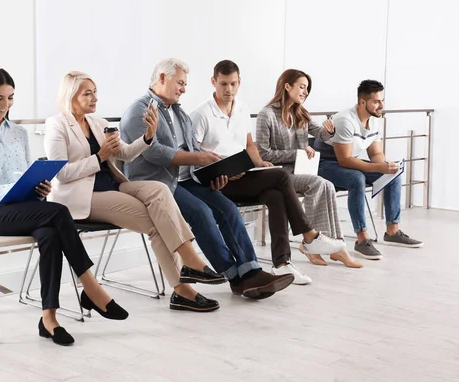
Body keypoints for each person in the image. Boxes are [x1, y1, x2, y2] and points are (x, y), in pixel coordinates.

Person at [0, 68, 128, 347]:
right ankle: (92, 288)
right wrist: (10, 191)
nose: (5, 105)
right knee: (58, 211)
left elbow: (24, 175)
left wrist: (38, 188)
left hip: (20, 208)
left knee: (49, 233)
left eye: (10, 98)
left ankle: (49, 318)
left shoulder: (19, 134)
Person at [44, 71, 223, 312]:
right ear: (70, 96)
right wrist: (99, 157)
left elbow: (125, 153)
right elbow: (61, 173)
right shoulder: (57, 125)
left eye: (95, 92)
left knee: (159, 190)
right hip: (80, 197)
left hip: (114, 186)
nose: (94, 98)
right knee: (156, 220)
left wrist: (148, 137)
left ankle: (188, 266)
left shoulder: (98, 123)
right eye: (88, 94)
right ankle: (183, 287)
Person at [120, 58, 297, 298]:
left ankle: (251, 272)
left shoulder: (178, 113)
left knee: (227, 208)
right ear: (162, 78)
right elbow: (154, 152)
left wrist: (212, 174)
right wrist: (198, 159)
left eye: (185, 84)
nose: (184, 88)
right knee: (202, 212)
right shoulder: (138, 111)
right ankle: (235, 276)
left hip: (186, 181)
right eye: (180, 83)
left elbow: (194, 150)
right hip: (157, 184)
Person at [192, 61, 355, 283]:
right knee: (281, 177)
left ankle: (282, 264)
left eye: (233, 84)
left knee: (275, 195)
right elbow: (193, 153)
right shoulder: (201, 114)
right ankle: (309, 236)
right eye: (223, 84)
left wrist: (259, 162)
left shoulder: (241, 108)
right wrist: (223, 168)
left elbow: (250, 145)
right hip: (218, 181)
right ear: (213, 82)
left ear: (239, 83)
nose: (228, 89)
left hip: (242, 175)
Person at [255, 68, 363, 268]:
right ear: (287, 86)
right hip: (279, 174)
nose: (305, 92)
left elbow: (322, 134)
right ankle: (311, 243)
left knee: (328, 185)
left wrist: (330, 128)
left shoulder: (300, 112)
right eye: (302, 87)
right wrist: (297, 153)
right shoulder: (266, 115)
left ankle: (336, 246)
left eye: (307, 89)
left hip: (300, 171)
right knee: (317, 183)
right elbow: (263, 154)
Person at [315, 79, 424, 260]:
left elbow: (376, 154)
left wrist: (385, 166)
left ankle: (392, 231)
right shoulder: (344, 120)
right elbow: (344, 160)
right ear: (362, 102)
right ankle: (362, 239)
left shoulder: (375, 119)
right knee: (356, 178)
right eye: (376, 101)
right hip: (325, 164)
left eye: (382, 100)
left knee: (393, 175)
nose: (381, 105)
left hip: (348, 162)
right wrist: (378, 166)